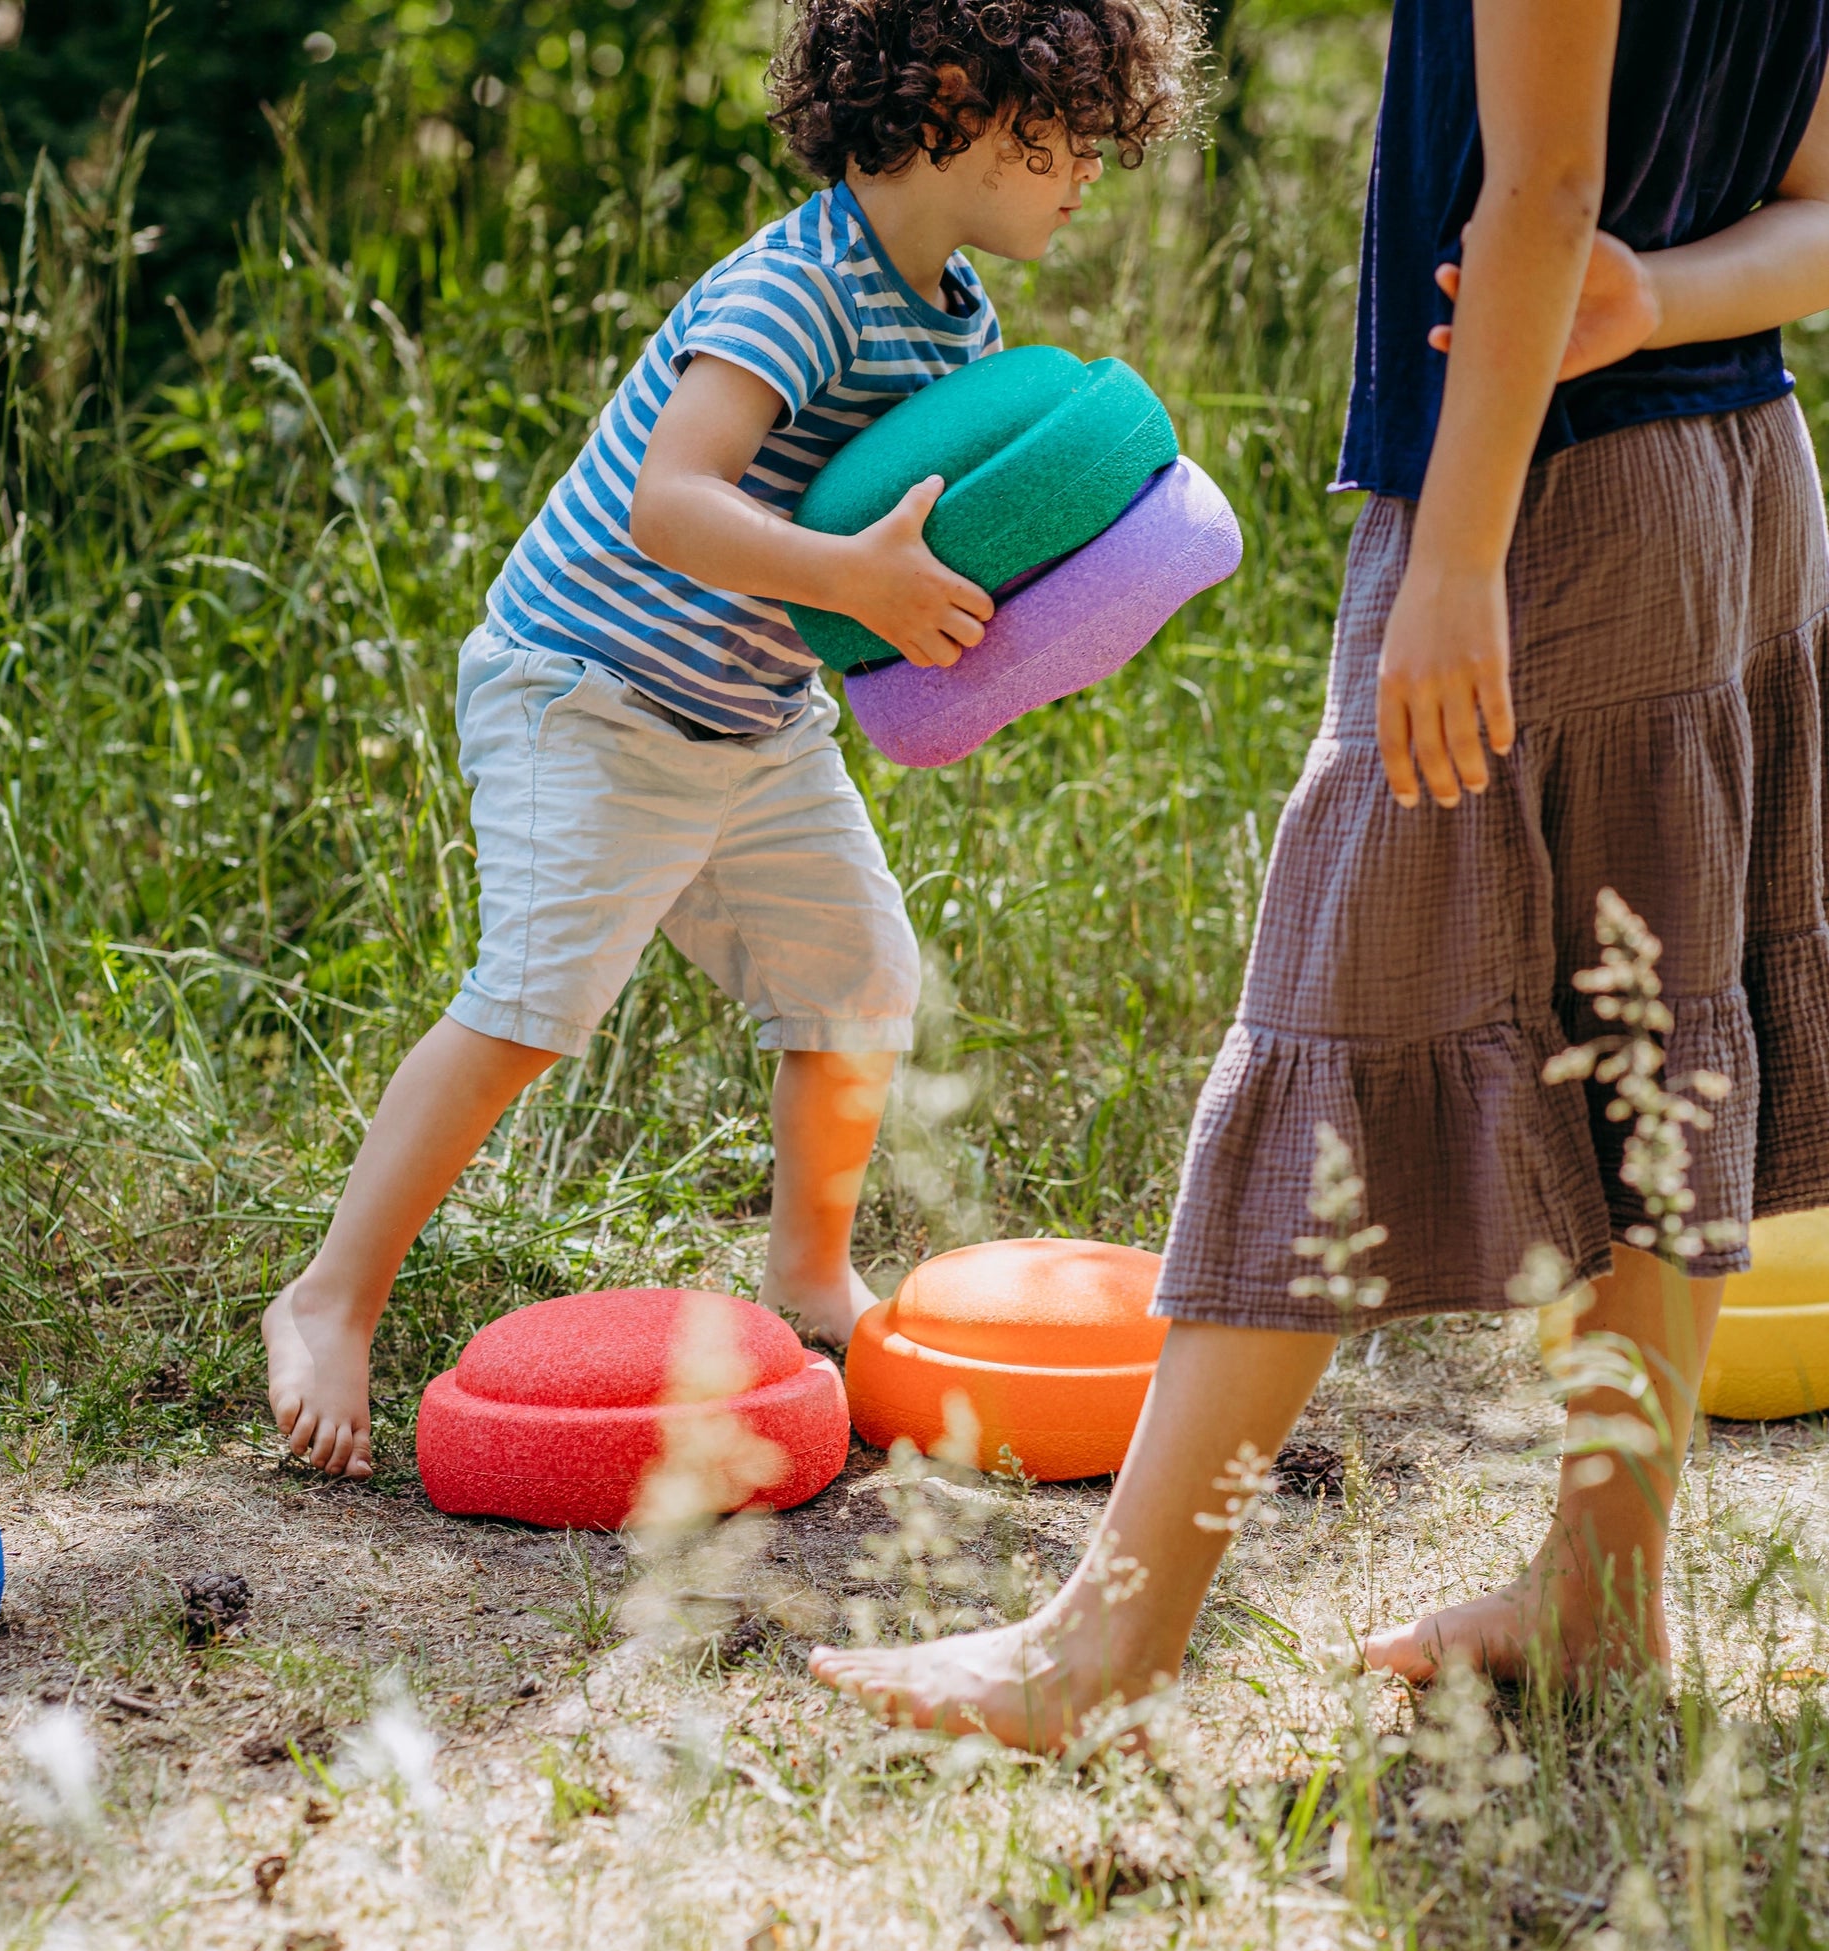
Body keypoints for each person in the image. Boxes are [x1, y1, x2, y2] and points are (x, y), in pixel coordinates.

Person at [812, 0, 1829, 1743]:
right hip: (1733, 484)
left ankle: (1103, 1649)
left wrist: (1455, 552)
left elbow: (1545, 188)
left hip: (1547, 506)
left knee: (1333, 1020)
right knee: (1661, 1046)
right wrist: (1662, 303)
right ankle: (1602, 1591)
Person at [264, 0, 1198, 1478]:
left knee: (859, 978)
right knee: (533, 1002)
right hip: (588, 685)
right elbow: (672, 502)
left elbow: (923, 545)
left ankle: (811, 1279)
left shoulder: (959, 316)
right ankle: (330, 1296)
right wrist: (854, 584)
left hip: (754, 715)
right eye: (1066, 131)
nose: (1093, 165)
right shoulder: (797, 284)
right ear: (955, 98)